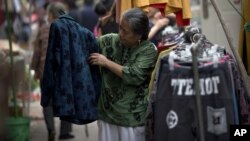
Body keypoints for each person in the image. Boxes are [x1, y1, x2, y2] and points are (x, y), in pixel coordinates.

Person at [89, 8, 158, 141]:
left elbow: (134, 75)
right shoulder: (110, 41)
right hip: (107, 115)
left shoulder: (148, 50)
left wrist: (106, 62)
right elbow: (86, 44)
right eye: (120, 28)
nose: (120, 34)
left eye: (125, 31)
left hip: (131, 118)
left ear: (139, 35)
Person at [30, 2, 74, 141]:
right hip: (64, 73)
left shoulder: (43, 29)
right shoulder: (70, 29)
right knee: (66, 101)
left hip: (46, 71)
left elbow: (37, 52)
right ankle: (65, 132)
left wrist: (35, 69)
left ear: (50, 15)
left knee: (47, 103)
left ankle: (51, 130)